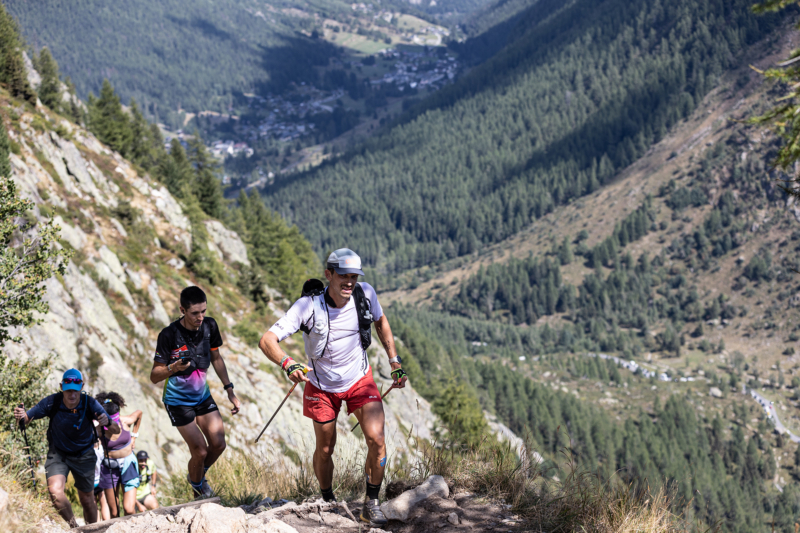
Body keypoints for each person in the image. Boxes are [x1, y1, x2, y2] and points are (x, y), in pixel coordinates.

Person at [259, 248, 408, 527]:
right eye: (343, 276)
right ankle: (327, 499)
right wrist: (287, 363)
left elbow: (381, 321)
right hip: (321, 386)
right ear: (329, 275)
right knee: (325, 449)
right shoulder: (307, 306)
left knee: (377, 440)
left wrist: (394, 361)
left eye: (354, 276)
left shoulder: (365, 294)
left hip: (359, 379)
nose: (349, 282)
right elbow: (267, 340)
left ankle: (371, 504)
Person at [150, 285, 240, 499]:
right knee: (199, 450)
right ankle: (199, 492)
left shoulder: (209, 326)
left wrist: (229, 390)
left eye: (203, 311)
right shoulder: (168, 335)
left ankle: (196, 475)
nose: (200, 317)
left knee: (218, 444)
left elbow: (216, 358)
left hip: (202, 396)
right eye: (194, 313)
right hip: (177, 401)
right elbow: (154, 376)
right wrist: (173, 368)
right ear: (182, 310)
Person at [12, 369, 116, 528]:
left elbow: (116, 429)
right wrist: (21, 416)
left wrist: (107, 422)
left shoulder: (90, 403)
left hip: (84, 454)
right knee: (55, 492)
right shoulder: (51, 402)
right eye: (68, 390)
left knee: (87, 499)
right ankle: (75, 528)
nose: (72, 395)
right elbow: (26, 419)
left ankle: (91, 530)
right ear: (61, 387)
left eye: (75, 390)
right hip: (58, 453)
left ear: (82, 387)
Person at [95, 392, 143, 517]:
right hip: (109, 467)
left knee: (129, 509)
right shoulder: (98, 429)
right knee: (114, 512)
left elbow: (139, 413)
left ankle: (134, 525)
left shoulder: (125, 421)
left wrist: (134, 437)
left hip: (128, 464)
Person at [93, 440, 110, 521]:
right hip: (101, 479)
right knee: (104, 503)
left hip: (91, 481)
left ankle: (97, 524)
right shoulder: (102, 450)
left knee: (94, 505)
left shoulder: (88, 452)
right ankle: (107, 523)